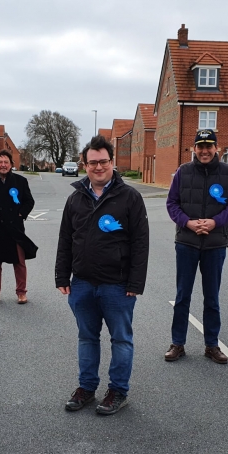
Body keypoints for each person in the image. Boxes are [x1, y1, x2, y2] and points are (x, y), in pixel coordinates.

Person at [55, 135, 149, 416]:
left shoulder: (130, 197)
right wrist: (62, 276)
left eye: (103, 161)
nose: (98, 167)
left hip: (118, 285)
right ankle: (86, 388)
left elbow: (140, 243)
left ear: (112, 162)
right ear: (85, 165)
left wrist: (135, 282)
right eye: (93, 162)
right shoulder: (75, 199)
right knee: (87, 337)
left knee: (121, 339)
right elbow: (65, 240)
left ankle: (118, 391)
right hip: (82, 283)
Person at [165, 129, 228, 364]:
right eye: (201, 146)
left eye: (209, 146)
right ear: (194, 148)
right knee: (182, 296)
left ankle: (212, 345)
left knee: (212, 298)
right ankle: (177, 343)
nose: (205, 151)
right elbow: (172, 203)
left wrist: (214, 222)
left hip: (215, 244)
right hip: (186, 242)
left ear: (216, 149)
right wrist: (187, 222)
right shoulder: (182, 173)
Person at [0, 150, 38, 305]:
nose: (3, 165)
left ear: (11, 165)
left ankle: (21, 293)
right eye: (0, 162)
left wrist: (20, 214)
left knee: (19, 262)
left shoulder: (21, 182)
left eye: (6, 162)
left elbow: (29, 202)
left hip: (15, 228)